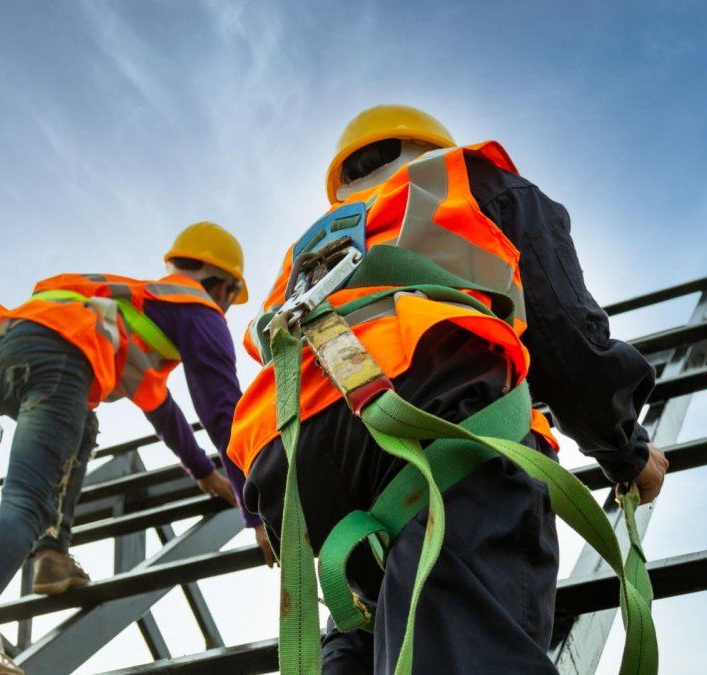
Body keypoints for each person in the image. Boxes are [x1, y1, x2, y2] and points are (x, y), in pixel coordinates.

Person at [228, 105, 670, 673]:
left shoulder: (309, 254)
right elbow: (564, 333)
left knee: (366, 617)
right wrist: (626, 451)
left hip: (289, 465)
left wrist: (267, 511)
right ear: (429, 145)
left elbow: (281, 370)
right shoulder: (466, 179)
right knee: (461, 638)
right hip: (438, 410)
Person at [0, 222, 270, 675]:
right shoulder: (198, 309)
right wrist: (256, 511)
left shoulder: (131, 310)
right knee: (25, 503)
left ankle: (51, 555)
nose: (224, 309)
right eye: (228, 298)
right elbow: (224, 415)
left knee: (82, 424)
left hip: (2, 351)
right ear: (223, 284)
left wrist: (204, 474)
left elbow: (165, 414)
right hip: (56, 356)